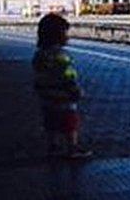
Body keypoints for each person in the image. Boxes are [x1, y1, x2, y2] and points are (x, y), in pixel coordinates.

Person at [32, 13, 92, 159]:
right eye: (65, 33)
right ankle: (73, 149)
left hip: (46, 97)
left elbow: (38, 75)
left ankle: (53, 147)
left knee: (51, 123)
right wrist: (75, 90)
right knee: (70, 123)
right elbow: (68, 76)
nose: (68, 36)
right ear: (58, 35)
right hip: (64, 97)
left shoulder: (39, 55)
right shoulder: (61, 56)